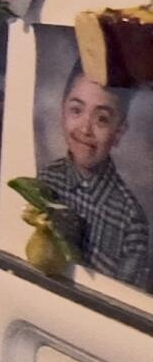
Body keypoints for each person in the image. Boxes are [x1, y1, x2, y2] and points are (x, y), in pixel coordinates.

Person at [40, 68, 153, 289]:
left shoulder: (131, 222)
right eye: (76, 110)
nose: (85, 128)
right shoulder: (46, 180)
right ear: (62, 112)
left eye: (102, 119)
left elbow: (122, 305)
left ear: (119, 132)